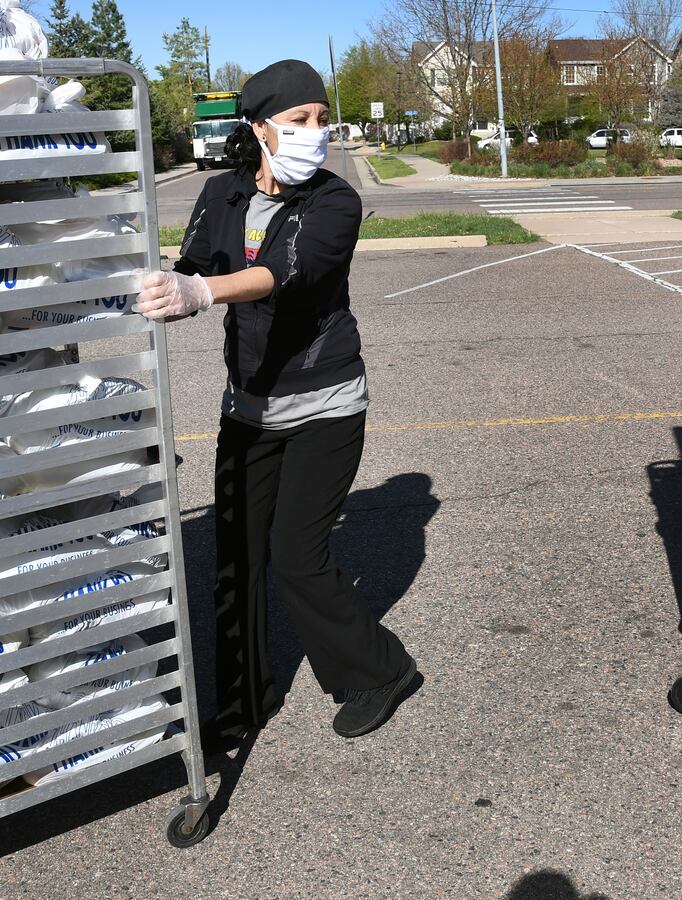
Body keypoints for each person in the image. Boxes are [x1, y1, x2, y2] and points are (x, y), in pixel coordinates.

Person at [137, 60, 418, 747]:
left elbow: (289, 273)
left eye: (322, 120)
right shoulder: (223, 193)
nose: (315, 134)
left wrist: (205, 294)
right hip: (250, 407)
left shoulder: (335, 201)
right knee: (235, 557)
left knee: (296, 553)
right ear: (259, 128)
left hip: (326, 404)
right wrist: (170, 290)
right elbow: (198, 267)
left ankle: (380, 669)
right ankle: (242, 701)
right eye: (299, 121)